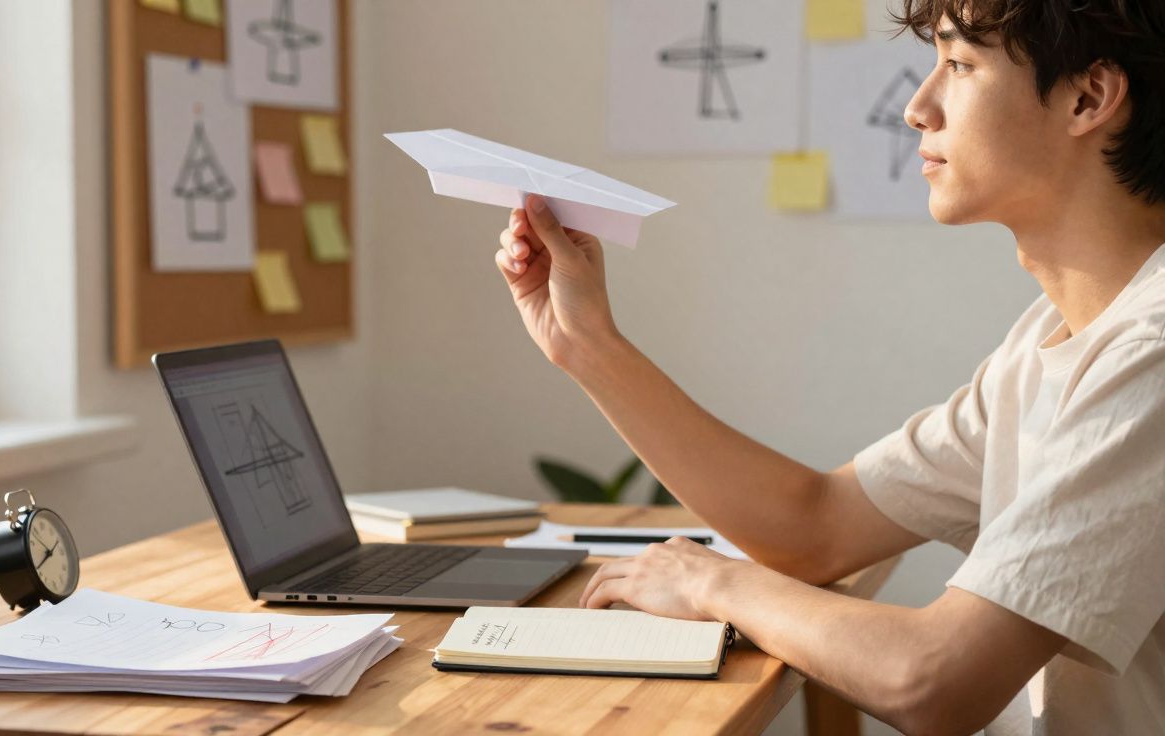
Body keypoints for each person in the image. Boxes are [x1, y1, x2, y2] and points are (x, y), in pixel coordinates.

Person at [491, 1, 1165, 733]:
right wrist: (587, 345)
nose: (916, 107)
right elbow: (811, 527)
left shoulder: (1149, 358)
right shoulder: (1050, 340)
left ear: (1088, 98)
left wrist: (714, 583)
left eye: (960, 65)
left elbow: (934, 681)